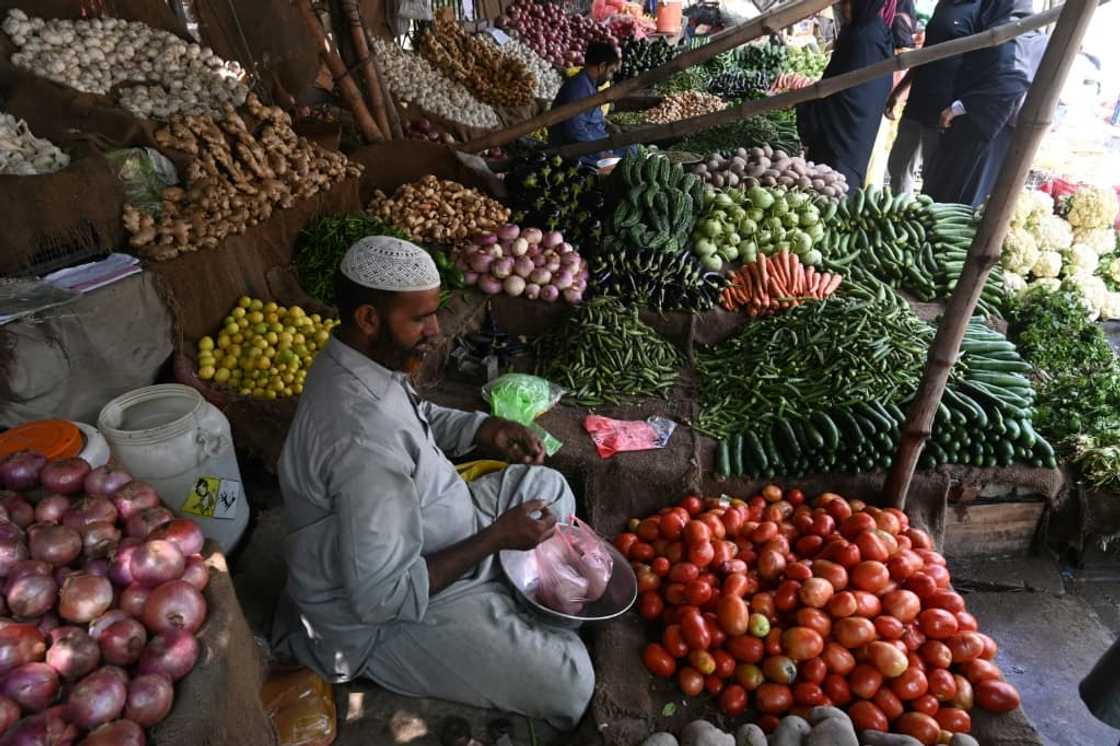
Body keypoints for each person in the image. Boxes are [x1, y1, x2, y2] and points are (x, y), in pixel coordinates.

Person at [271, 236, 594, 729]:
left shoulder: (354, 359)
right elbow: (382, 598)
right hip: (388, 615)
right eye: (420, 318)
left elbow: (414, 413)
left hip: (438, 521)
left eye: (434, 313)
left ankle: (506, 588)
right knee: (570, 680)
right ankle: (500, 599)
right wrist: (496, 538)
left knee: (547, 487)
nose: (437, 330)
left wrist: (484, 428)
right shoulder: (362, 448)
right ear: (368, 319)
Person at [922, 0, 1048, 206]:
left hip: (977, 132)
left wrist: (957, 108)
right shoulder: (1032, 34)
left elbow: (1010, 80)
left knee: (953, 202)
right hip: (997, 132)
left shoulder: (1009, 35)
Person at [884, 0, 983, 194]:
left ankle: (923, 220)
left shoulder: (979, 12)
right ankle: (898, 215)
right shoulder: (944, 5)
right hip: (917, 102)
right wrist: (899, 90)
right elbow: (925, 53)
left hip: (944, 111)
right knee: (898, 167)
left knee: (933, 176)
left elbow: (978, 68)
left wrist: (957, 108)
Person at [797, 0, 898, 187]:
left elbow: (849, 93)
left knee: (831, 183)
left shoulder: (862, 37)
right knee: (835, 184)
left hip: (843, 131)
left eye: (849, 3)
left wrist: (807, 106)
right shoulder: (873, 28)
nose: (844, 9)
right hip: (857, 132)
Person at [548, 41, 632, 166]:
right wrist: (602, 153)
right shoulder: (579, 88)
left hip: (595, 142)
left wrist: (608, 124)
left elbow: (588, 117)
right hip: (578, 152)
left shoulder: (588, 85)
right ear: (602, 66)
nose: (611, 77)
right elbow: (575, 131)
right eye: (611, 71)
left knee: (632, 149)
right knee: (627, 159)